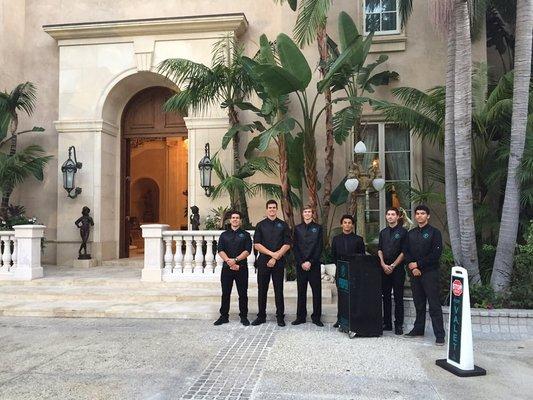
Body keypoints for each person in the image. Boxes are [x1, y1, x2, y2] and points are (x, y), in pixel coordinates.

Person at [403, 205, 445, 346]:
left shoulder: (435, 233)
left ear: (428, 216)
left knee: (434, 304)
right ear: (415, 216)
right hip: (415, 274)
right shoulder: (411, 233)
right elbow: (406, 252)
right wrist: (412, 267)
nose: (420, 216)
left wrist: (418, 265)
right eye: (417, 213)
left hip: (430, 273)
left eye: (423, 213)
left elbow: (435, 254)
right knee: (419, 303)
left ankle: (439, 335)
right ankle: (418, 329)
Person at [252, 200, 291, 327]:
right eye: (270, 207)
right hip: (263, 261)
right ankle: (261, 316)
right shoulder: (260, 225)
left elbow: (287, 244)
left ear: (277, 209)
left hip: (279, 261)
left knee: (278, 290)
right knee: (262, 290)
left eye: (274, 207)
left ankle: (280, 317)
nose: (272, 209)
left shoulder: (283, 225)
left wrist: (276, 256)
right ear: (266, 209)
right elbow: (257, 244)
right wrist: (271, 254)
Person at [214, 211, 252, 326]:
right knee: (225, 293)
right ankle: (224, 316)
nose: (235, 220)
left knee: (243, 293)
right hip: (227, 268)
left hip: (241, 268)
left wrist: (235, 260)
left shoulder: (245, 235)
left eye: (237, 218)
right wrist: (229, 262)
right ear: (230, 220)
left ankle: (244, 316)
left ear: (240, 220)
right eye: (233, 218)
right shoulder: (224, 235)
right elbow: (220, 250)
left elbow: (247, 251)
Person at [330, 214, 365, 328]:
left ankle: (353, 319)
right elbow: (333, 256)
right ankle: (340, 319)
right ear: (341, 224)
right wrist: (341, 267)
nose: (347, 225)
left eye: (349, 223)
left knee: (353, 296)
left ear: (352, 225)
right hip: (341, 272)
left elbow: (362, 256)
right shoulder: (336, 239)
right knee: (341, 296)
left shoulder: (358, 240)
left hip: (354, 273)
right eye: (345, 222)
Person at [292, 205, 324, 327]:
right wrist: (301, 262)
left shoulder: (318, 228)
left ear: (312, 214)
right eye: (305, 211)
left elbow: (319, 246)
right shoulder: (297, 228)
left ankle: (316, 317)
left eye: (309, 212)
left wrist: (311, 261)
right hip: (301, 266)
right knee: (301, 292)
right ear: (302, 214)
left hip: (314, 265)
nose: (307, 213)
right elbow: (295, 247)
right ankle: (300, 317)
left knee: (317, 292)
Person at [378, 207, 408, 335]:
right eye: (388, 214)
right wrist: (383, 264)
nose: (390, 216)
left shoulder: (403, 232)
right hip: (384, 269)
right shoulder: (383, 232)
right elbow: (379, 249)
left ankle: (399, 325)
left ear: (397, 217)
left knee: (398, 297)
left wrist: (393, 265)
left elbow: (404, 251)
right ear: (386, 217)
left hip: (398, 269)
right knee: (385, 297)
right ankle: (387, 323)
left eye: (393, 214)